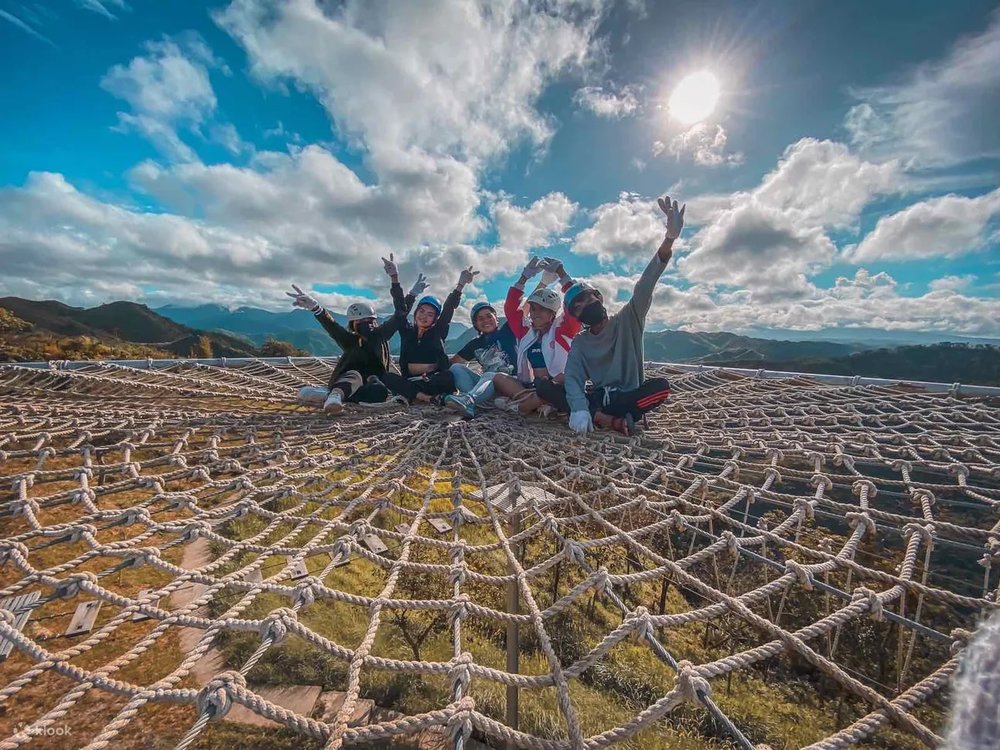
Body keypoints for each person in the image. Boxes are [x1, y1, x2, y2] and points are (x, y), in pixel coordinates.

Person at [562, 194, 684, 436]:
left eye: (589, 297)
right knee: (554, 388)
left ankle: (605, 416)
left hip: (630, 396)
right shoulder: (581, 342)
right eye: (578, 305)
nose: (586, 304)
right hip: (601, 397)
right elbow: (573, 377)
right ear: (576, 316)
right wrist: (578, 408)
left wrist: (669, 239)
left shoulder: (629, 320)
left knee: (660, 387)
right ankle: (605, 415)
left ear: (600, 298)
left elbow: (645, 285)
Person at [286, 263, 414, 413]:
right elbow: (332, 326)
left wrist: (396, 280)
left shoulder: (382, 335)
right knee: (354, 377)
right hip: (349, 379)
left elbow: (400, 313)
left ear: (375, 321)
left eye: (369, 321)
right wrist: (316, 308)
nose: (367, 325)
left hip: (374, 380)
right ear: (354, 325)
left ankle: (328, 395)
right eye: (361, 322)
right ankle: (335, 397)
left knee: (379, 391)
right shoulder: (350, 340)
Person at [487, 256, 580, 416]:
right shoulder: (527, 333)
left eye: (543, 309)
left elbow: (576, 304)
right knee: (498, 378)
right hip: (531, 386)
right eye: (534, 309)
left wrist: (562, 273)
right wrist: (524, 277)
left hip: (559, 385)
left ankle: (521, 405)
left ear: (553, 314)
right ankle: (537, 403)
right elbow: (510, 309)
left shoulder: (564, 330)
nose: (536, 314)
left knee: (540, 397)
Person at [377, 258, 478, 404]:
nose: (424, 316)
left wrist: (460, 285)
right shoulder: (407, 330)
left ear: (435, 319)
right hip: (410, 380)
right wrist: (396, 279)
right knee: (386, 377)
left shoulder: (439, 331)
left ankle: (413, 394)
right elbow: (400, 309)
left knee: (448, 377)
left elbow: (449, 308)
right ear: (416, 311)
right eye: (422, 311)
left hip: (433, 380)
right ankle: (427, 398)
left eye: (430, 314)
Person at [442, 299, 519, 417]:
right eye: (480, 318)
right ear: (475, 324)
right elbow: (452, 362)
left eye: (489, 316)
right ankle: (473, 402)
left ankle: (469, 400)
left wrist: (540, 283)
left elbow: (524, 309)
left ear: (496, 318)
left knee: (489, 374)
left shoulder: (507, 332)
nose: (486, 320)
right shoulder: (475, 344)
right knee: (456, 368)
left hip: (510, 385)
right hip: (487, 389)